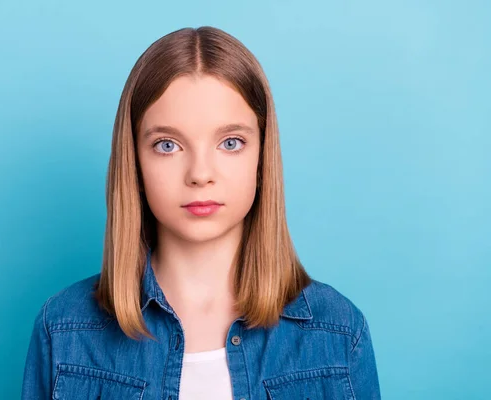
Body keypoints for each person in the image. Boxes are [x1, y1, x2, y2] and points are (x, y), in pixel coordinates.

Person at [21, 26, 381, 400]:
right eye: (167, 144)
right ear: (135, 163)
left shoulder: (339, 333)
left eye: (230, 142)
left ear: (261, 159)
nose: (200, 174)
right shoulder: (63, 329)